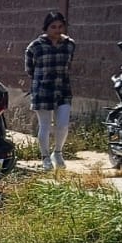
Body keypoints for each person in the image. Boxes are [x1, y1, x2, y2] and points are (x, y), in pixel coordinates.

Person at [24, 11, 76, 170]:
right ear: (46, 28)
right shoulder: (35, 46)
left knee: (63, 124)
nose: (57, 30)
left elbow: (69, 63)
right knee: (45, 125)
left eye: (60, 26)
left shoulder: (69, 44)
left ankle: (58, 152)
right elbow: (29, 69)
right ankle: (45, 157)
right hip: (43, 90)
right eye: (53, 27)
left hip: (63, 88)